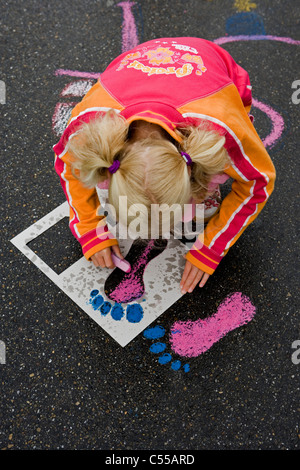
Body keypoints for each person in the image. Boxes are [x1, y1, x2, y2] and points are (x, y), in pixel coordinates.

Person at [53, 37, 275, 294]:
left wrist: (213, 245)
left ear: (190, 173)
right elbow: (66, 163)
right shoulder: (86, 130)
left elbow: (259, 180)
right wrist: (89, 227)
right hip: (140, 66)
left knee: (228, 165)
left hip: (211, 66)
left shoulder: (222, 133)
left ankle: (204, 187)